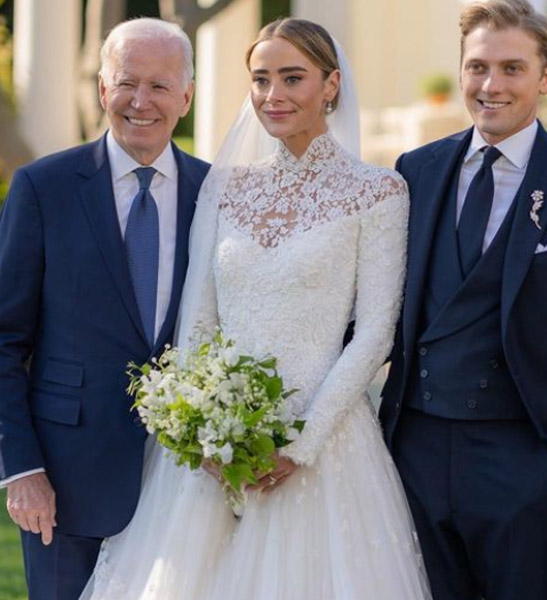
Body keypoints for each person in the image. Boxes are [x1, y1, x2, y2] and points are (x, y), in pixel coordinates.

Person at [78, 18, 431, 600]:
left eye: (293, 78)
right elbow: (198, 320)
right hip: (211, 452)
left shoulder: (379, 192)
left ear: (331, 84)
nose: (273, 95)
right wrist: (200, 435)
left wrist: (301, 443)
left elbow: (374, 333)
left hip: (323, 447)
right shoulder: (225, 187)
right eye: (261, 78)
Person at [378, 1, 547, 598]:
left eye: (512, 68)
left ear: (545, 78)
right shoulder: (414, 171)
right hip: (413, 451)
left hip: (524, 457)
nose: (491, 85)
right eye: (478, 67)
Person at [0, 18, 209, 600]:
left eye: (159, 85)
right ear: (103, 90)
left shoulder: (218, 194)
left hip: (187, 486)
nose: (141, 101)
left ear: (187, 94)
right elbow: (0, 342)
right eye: (126, 82)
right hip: (64, 479)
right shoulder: (43, 188)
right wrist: (21, 470)